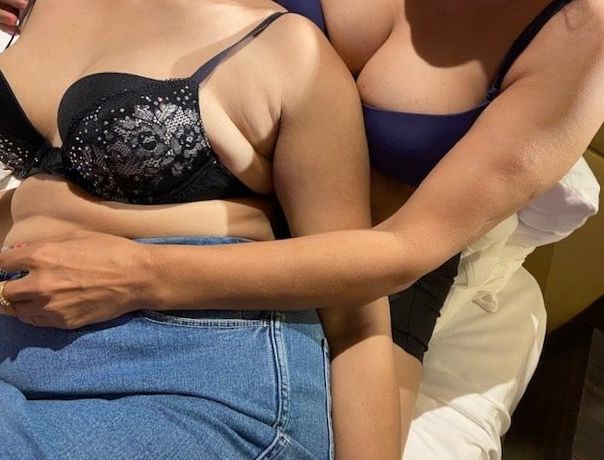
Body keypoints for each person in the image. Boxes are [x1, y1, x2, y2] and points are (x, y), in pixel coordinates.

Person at [1, 0, 603, 457]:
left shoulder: (582, 37)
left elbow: (403, 251)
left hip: (369, 271)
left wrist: (143, 274)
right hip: (198, 196)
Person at [0, 1, 402, 458]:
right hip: (21, 354)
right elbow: (41, 199)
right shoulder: (41, 10)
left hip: (199, 376)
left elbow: (354, 307)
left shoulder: (287, 47)